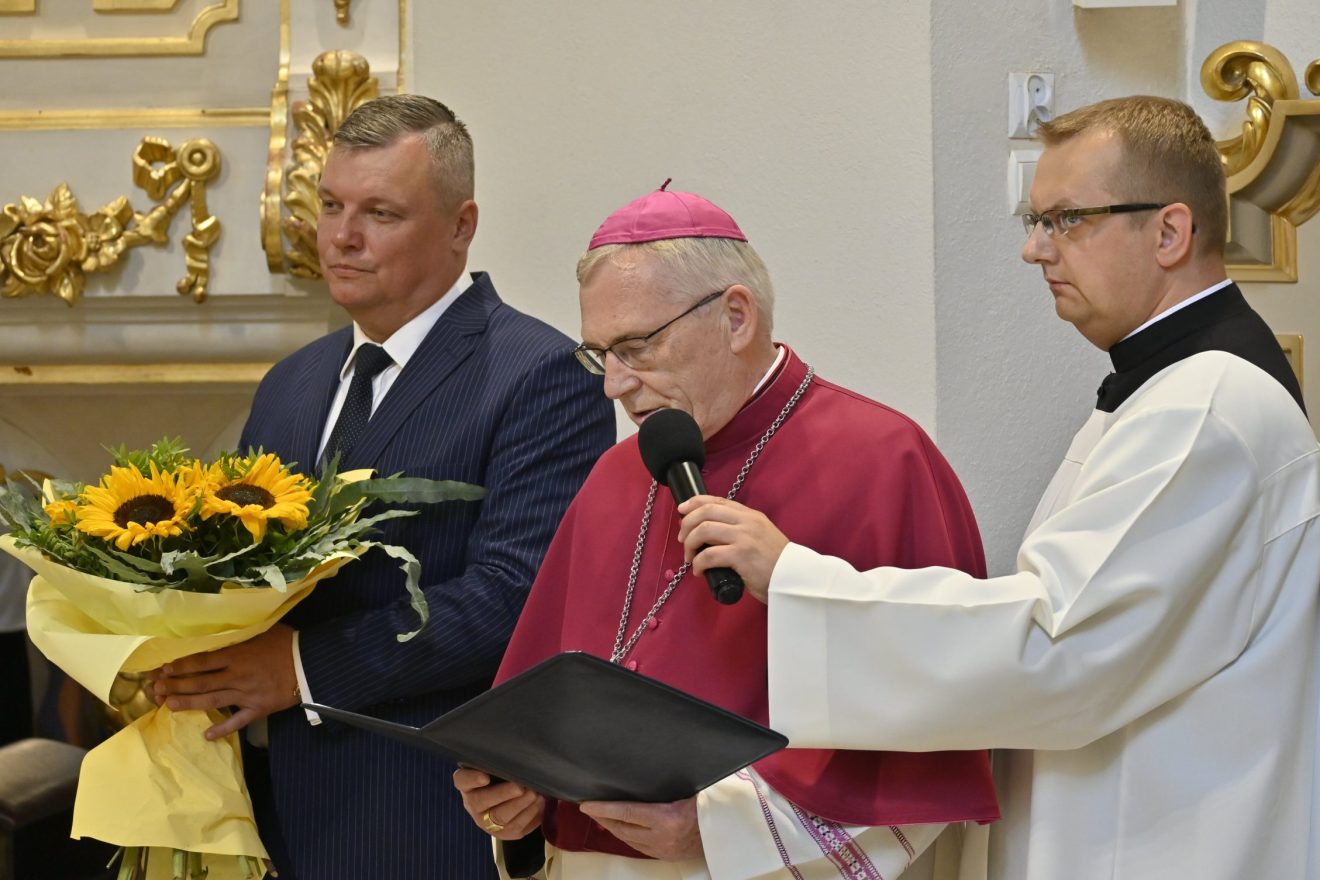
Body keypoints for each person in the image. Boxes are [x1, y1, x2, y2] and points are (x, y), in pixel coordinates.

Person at [676, 96, 1320, 880]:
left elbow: (1055, 648)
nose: (1035, 250)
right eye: (1036, 220)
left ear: (1170, 232)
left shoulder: (1206, 409)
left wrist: (795, 578)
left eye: (1067, 220)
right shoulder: (1170, 392)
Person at [454, 183, 1000, 879]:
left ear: (736, 317)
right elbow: (537, 712)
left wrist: (718, 827)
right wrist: (518, 796)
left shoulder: (883, 459)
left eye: (636, 347)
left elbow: (924, 727)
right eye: (599, 354)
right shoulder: (615, 476)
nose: (613, 385)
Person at [151, 95, 616, 879]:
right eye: (331, 204)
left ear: (462, 225)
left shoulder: (543, 374)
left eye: (381, 213)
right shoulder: (290, 383)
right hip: (267, 812)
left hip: (420, 814)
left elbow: (515, 596)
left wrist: (301, 668)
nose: (342, 236)